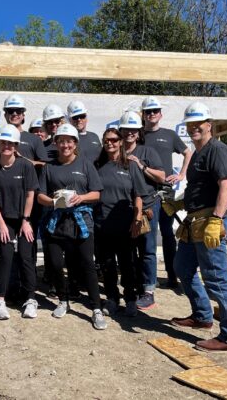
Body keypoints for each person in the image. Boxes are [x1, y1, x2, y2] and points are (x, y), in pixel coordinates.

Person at [171, 101, 227, 353]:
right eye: (190, 124)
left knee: (217, 279)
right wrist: (179, 202)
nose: (193, 128)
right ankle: (202, 315)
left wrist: (217, 219)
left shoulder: (218, 150)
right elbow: (201, 188)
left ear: (208, 125)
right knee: (183, 267)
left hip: (210, 220)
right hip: (195, 221)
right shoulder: (198, 152)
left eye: (198, 124)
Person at [37, 123, 107, 330]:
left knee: (87, 264)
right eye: (61, 141)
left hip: (81, 222)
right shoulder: (49, 167)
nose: (65, 145)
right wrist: (52, 202)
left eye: (69, 141)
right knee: (56, 265)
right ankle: (63, 300)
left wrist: (80, 198)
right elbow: (40, 195)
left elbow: (97, 193)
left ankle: (96, 308)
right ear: (56, 143)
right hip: (56, 222)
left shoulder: (85, 165)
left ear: (75, 143)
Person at [0, 125, 40, 320]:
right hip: (3, 221)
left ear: (16, 146)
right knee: (5, 257)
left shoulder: (26, 166)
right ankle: (0, 299)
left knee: (25, 256)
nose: (6, 146)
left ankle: (31, 299)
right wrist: (1, 225)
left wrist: (26, 220)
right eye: (3, 142)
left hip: (23, 219)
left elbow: (31, 194)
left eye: (10, 143)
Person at [95, 127, 148, 318]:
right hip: (102, 225)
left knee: (127, 265)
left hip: (126, 226)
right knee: (107, 265)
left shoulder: (130, 165)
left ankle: (131, 299)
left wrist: (137, 219)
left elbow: (138, 196)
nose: (110, 143)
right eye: (107, 140)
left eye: (114, 140)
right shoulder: (97, 165)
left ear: (120, 142)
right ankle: (111, 298)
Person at [142, 95, 192, 289]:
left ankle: (172, 276)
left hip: (165, 193)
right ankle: (149, 280)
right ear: (143, 115)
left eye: (155, 111)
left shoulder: (170, 135)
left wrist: (181, 175)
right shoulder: (138, 135)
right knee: (148, 236)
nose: (152, 114)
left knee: (167, 234)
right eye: (148, 111)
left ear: (160, 114)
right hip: (145, 192)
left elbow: (187, 152)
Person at [119, 111, 165, 311]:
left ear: (139, 132)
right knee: (128, 249)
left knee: (147, 249)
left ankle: (148, 291)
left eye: (133, 130)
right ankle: (135, 285)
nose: (130, 133)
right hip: (124, 207)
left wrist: (142, 166)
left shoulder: (147, 152)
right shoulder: (115, 152)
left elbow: (162, 177)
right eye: (126, 129)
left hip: (147, 206)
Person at [3, 94, 48, 165]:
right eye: (11, 111)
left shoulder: (35, 139)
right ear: (5, 115)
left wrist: (23, 160)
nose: (15, 114)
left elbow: (44, 165)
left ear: (23, 116)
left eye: (18, 111)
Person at [67, 100, 102, 164]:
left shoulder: (94, 136)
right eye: (75, 117)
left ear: (86, 117)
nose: (79, 120)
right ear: (70, 120)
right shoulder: (67, 139)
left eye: (82, 116)